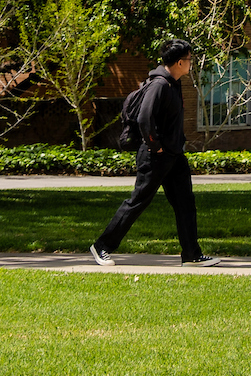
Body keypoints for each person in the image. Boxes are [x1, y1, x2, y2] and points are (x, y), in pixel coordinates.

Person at [90, 40, 216, 267]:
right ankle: (102, 246)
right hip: (155, 155)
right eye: (189, 59)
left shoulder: (174, 83)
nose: (191, 63)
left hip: (174, 155)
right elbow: (144, 118)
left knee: (186, 203)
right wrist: (154, 145)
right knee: (138, 201)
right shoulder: (159, 85)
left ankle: (191, 254)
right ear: (179, 62)